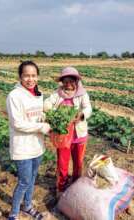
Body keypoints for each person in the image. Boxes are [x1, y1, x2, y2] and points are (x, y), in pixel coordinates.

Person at [6, 61, 50, 220]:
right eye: (26, 75)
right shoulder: (14, 96)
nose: (30, 79)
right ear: (20, 77)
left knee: (32, 179)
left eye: (33, 75)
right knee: (24, 181)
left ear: (37, 77)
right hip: (22, 147)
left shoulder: (39, 94)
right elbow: (17, 124)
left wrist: (43, 118)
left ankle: (28, 206)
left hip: (37, 146)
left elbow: (36, 115)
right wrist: (40, 127)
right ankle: (14, 213)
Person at [44, 66, 92, 197]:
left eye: (71, 81)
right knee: (62, 162)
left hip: (79, 135)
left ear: (76, 81)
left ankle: (76, 186)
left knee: (78, 162)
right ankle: (61, 188)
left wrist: (81, 115)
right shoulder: (57, 94)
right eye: (65, 81)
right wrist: (55, 113)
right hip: (63, 136)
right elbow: (46, 104)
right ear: (62, 82)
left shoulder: (82, 94)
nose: (68, 84)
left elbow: (88, 108)